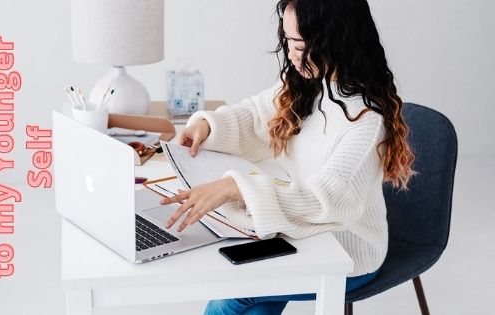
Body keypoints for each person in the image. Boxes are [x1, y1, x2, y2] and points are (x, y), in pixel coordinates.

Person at [160, 0, 415, 313]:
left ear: (336, 39)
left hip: (346, 252)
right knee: (251, 295)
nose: (291, 55)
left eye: (300, 44)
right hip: (302, 232)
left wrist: (236, 188)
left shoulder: (367, 121)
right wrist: (209, 125)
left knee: (238, 293)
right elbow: (256, 114)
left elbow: (327, 197)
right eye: (287, 41)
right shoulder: (310, 84)